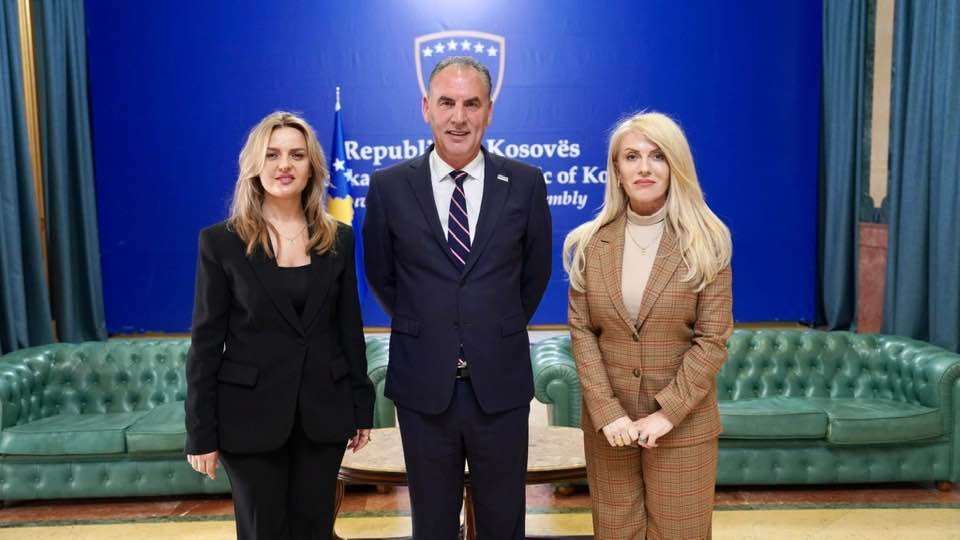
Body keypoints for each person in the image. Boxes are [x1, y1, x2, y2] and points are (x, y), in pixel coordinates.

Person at [363, 56, 552, 539]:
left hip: (501, 386)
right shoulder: (388, 187)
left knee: (504, 524)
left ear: (489, 110)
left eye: (472, 104)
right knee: (431, 525)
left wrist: (490, 326)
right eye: (446, 102)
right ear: (426, 107)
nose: (459, 117)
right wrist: (434, 327)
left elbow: (534, 276)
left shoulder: (526, 184)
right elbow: (382, 275)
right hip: (424, 388)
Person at [185, 111, 375, 540]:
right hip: (248, 421)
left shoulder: (339, 239)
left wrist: (361, 407)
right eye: (272, 155)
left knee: (315, 530)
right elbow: (205, 345)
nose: (284, 165)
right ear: (255, 164)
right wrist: (200, 432)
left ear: (312, 167)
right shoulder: (220, 242)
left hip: (323, 416)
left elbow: (349, 329)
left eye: (296, 155)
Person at [563, 111, 733, 539]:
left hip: (682, 427)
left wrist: (666, 414)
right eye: (631, 156)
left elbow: (712, 339)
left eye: (657, 156)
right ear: (616, 170)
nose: (644, 167)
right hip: (611, 431)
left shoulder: (708, 241)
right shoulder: (588, 243)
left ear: (675, 165)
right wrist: (608, 413)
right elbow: (582, 333)